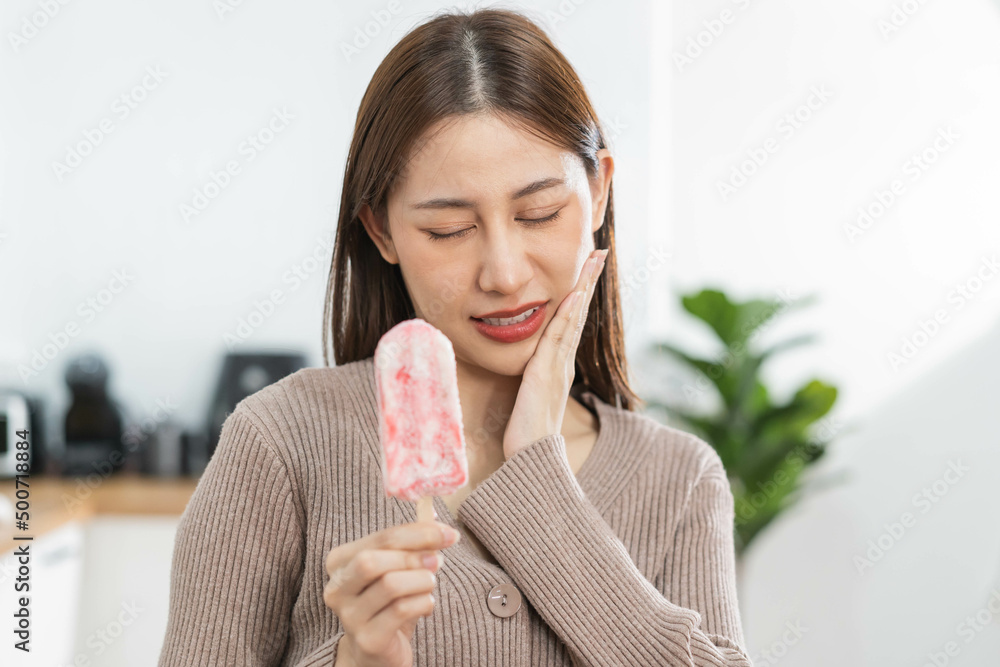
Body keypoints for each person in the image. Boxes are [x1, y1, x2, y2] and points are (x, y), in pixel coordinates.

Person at [158, 8, 752, 667]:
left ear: (599, 190)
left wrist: (537, 471)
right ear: (381, 230)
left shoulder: (679, 478)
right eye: (449, 229)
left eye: (539, 213)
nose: (504, 273)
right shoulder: (282, 442)